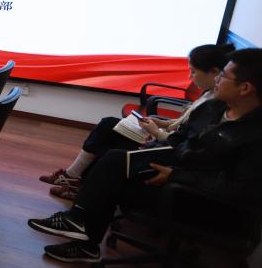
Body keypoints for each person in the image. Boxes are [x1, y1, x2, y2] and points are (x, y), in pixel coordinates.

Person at [28, 48, 262, 264]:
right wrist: (155, 150)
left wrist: (174, 175)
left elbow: (240, 191)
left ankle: (83, 232)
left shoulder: (255, 136)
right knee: (116, 159)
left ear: (245, 88)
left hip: (198, 200)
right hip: (177, 172)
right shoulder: (213, 108)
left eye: (224, 76)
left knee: (112, 173)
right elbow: (180, 138)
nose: (217, 80)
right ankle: (80, 225)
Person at [39, 43, 232, 200]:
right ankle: (74, 178)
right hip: (164, 138)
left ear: (214, 72)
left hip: (165, 147)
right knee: (109, 124)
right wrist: (161, 123)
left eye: (193, 72)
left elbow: (182, 142)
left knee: (111, 143)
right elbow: (183, 124)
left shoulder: (215, 106)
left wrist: (156, 132)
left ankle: (80, 185)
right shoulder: (208, 94)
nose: (190, 77)